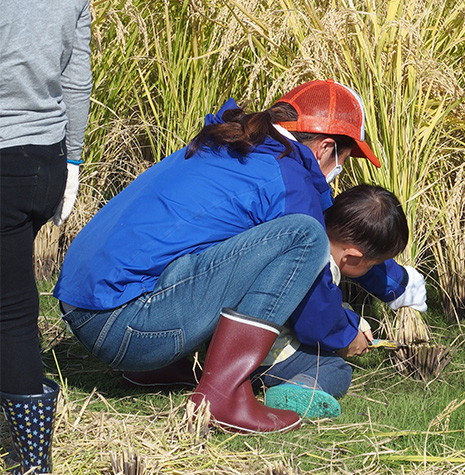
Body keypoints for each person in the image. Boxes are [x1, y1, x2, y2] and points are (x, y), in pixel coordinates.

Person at [53, 79, 427, 435]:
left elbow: (341, 228)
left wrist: (397, 284)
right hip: (125, 327)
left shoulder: (237, 146)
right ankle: (222, 397)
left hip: (86, 308)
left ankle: (163, 367)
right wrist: (345, 334)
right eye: (346, 158)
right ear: (327, 148)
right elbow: (316, 284)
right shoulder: (287, 181)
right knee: (304, 235)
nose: (340, 171)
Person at [0, 1, 92, 473]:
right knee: (12, 303)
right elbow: (76, 77)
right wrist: (71, 160)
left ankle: (32, 461)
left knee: (11, 313)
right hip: (46, 158)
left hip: (5, 153)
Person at [252, 184, 410, 419]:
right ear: (352, 256)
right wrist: (347, 339)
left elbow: (318, 306)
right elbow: (316, 326)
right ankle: (300, 389)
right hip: (266, 356)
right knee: (336, 369)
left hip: (238, 339)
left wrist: (352, 321)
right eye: (373, 264)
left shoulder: (299, 232)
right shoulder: (320, 263)